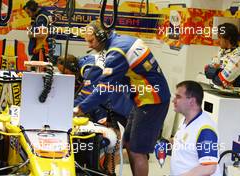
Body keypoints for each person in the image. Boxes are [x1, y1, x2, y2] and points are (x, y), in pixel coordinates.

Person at [74, 20, 171, 176]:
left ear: (101, 35)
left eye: (91, 41)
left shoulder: (118, 50)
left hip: (152, 100)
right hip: (143, 99)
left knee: (137, 150)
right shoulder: (121, 42)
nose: (89, 46)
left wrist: (80, 109)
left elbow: (104, 89)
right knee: (128, 143)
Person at [57, 54, 132, 126]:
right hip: (116, 98)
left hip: (124, 99)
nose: (66, 76)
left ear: (73, 67)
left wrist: (63, 108)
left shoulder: (90, 68)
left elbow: (86, 95)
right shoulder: (85, 62)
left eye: (66, 72)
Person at [170, 80, 221, 176]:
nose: (173, 100)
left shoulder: (206, 131)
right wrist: (166, 144)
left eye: (178, 97)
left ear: (192, 101)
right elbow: (186, 142)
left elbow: (209, 167)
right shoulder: (185, 119)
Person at [205, 23, 240, 88]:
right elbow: (207, 72)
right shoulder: (222, 51)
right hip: (216, 92)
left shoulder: (238, 57)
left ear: (228, 38)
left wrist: (216, 71)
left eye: (220, 38)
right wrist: (218, 72)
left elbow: (219, 81)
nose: (217, 40)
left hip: (230, 96)